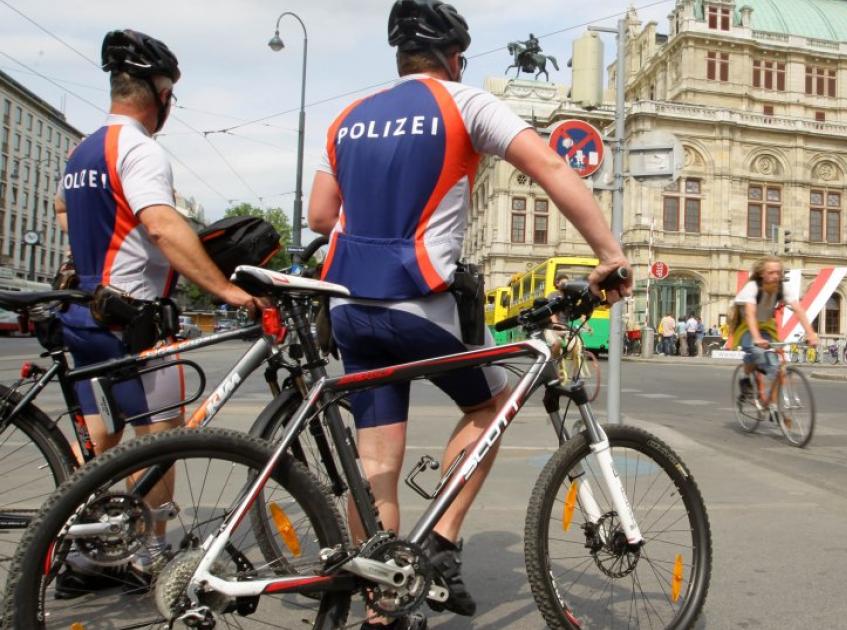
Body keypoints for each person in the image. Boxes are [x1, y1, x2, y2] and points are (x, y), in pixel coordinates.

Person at [306, 2, 630, 627]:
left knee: (376, 469)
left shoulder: (347, 117)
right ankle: (443, 541)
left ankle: (384, 605)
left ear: (399, 58)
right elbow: (551, 165)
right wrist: (609, 254)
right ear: (456, 59)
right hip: (418, 299)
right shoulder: (463, 103)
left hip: (347, 305)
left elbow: (321, 216)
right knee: (489, 404)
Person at [52, 29, 263, 594]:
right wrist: (229, 291)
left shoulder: (83, 149)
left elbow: (64, 214)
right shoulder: (139, 148)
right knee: (161, 437)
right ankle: (145, 551)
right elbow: (163, 225)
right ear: (159, 91)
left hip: (83, 313)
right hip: (132, 320)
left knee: (98, 438)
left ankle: (79, 542)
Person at [732, 256, 820, 407]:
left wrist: (811, 333)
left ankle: (771, 405)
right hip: (745, 326)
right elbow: (750, 314)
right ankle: (745, 377)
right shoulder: (752, 287)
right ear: (761, 273)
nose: (775, 276)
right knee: (756, 351)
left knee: (775, 363)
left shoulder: (782, 289)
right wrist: (757, 338)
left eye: (778, 273)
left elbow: (799, 310)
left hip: (766, 325)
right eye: (771, 272)